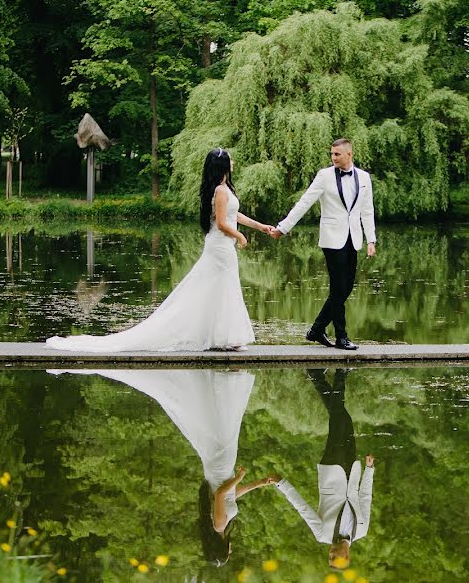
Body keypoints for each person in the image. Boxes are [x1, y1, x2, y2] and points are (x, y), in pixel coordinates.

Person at [46, 368, 279, 565]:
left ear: (220, 548)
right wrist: (259, 483)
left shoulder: (218, 524)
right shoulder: (219, 524)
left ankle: (221, 382)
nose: (231, 551)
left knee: (226, 430)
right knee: (224, 428)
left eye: (227, 554)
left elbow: (220, 494)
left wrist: (237, 478)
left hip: (220, 470)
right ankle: (219, 382)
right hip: (220, 470)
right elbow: (231, 497)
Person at [46, 148, 271, 352]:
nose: (233, 161)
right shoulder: (220, 191)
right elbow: (222, 222)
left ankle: (221, 337)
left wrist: (259, 226)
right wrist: (240, 235)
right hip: (220, 246)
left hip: (223, 246)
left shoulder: (225, 189)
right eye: (229, 159)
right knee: (220, 287)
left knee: (219, 288)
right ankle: (224, 337)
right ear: (222, 165)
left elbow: (234, 216)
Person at [270, 139, 376, 350]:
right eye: (332, 154)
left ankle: (317, 330)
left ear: (349, 154)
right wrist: (283, 227)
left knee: (345, 289)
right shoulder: (324, 176)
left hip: (353, 238)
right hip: (332, 238)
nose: (333, 158)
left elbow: (367, 209)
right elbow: (304, 202)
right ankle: (341, 337)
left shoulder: (364, 177)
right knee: (338, 288)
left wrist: (371, 239)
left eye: (337, 154)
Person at [273, 369, 374, 570]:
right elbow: (365, 498)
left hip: (332, 470)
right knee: (343, 420)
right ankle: (316, 375)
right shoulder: (362, 531)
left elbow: (302, 508)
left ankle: (340, 374)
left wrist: (281, 483)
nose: (330, 555)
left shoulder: (322, 535)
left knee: (339, 421)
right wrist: (369, 470)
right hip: (351, 470)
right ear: (346, 557)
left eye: (329, 558)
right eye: (333, 558)